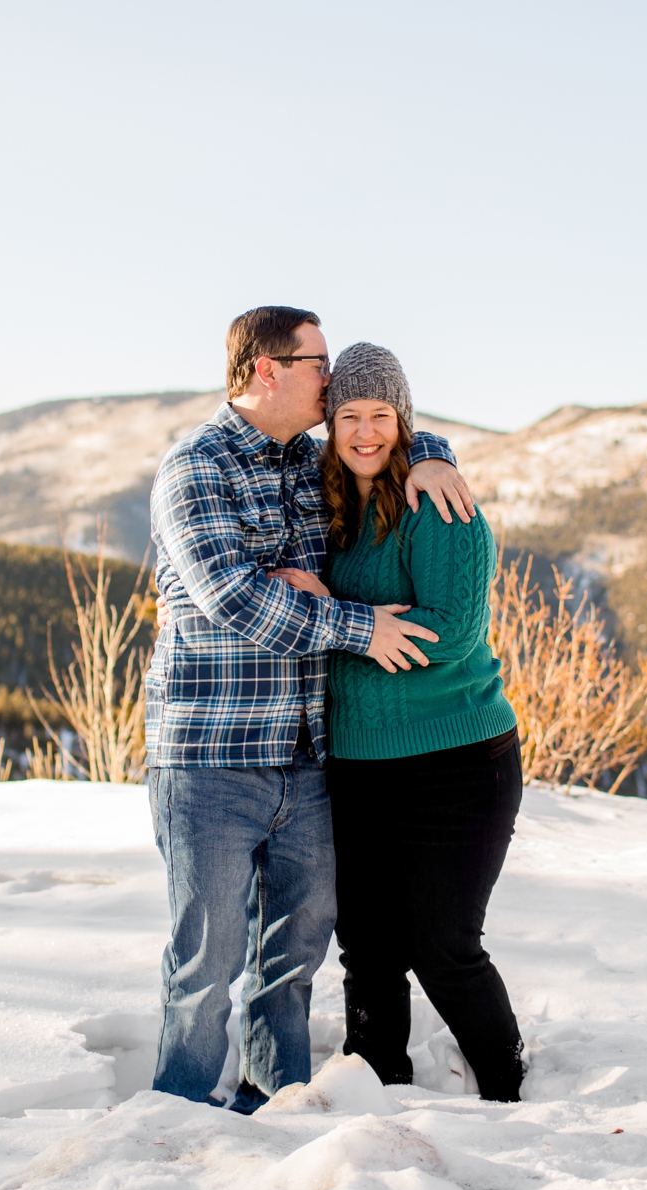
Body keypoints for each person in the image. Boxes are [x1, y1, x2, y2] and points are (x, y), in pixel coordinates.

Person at [142, 305, 477, 1113]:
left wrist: (431, 452)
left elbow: (379, 441)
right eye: (318, 363)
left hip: (307, 752)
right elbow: (234, 599)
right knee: (206, 961)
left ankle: (276, 1106)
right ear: (268, 370)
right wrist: (358, 626)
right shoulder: (198, 465)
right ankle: (171, 1124)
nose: (330, 380)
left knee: (293, 957)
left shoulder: (302, 459)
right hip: (212, 756)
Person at [274, 343, 526, 1101]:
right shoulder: (332, 505)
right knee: (370, 946)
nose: (365, 433)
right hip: (356, 763)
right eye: (348, 415)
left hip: (456, 757)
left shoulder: (439, 506)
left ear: (403, 420)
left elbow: (445, 632)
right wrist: (342, 618)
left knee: (443, 943)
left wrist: (329, 615)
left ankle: (507, 1082)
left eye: (381, 415)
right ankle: (374, 1083)